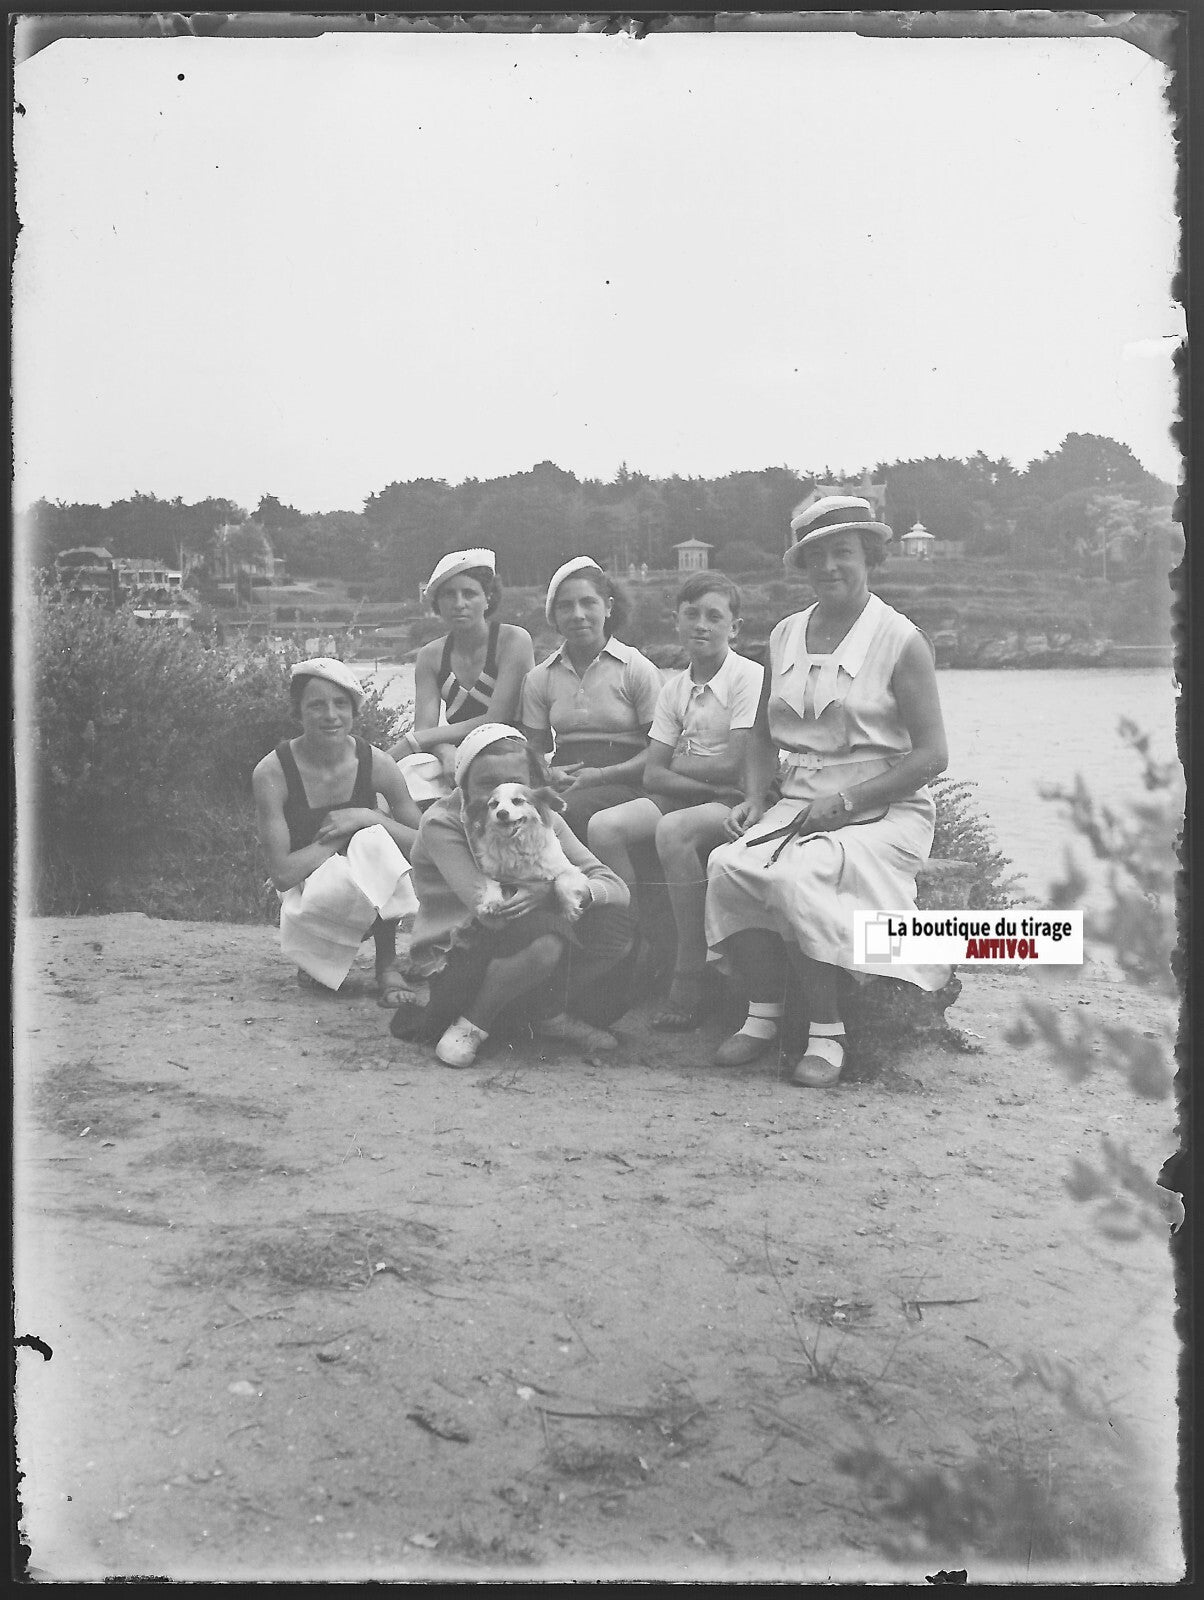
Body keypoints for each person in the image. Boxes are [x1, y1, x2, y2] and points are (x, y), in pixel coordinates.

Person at [705, 496, 951, 1088]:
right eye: (816, 556)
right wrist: (756, 797)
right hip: (801, 800)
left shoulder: (900, 640)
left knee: (798, 876)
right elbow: (763, 734)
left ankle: (826, 1032)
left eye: (842, 552)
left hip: (883, 806)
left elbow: (933, 756)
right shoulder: (786, 634)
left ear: (868, 555)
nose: (830, 567)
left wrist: (845, 803)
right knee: (726, 866)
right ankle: (764, 1011)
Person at [391, 724, 637, 1069]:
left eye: (515, 784)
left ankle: (545, 1013)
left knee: (616, 924)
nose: (502, 798)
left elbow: (616, 887)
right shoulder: (442, 824)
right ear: (462, 786)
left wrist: (556, 889)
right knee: (545, 937)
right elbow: (489, 914)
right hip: (457, 951)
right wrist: (548, 895)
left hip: (515, 940)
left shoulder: (538, 816)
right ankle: (473, 1024)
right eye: (487, 784)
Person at [587, 573, 763, 1030]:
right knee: (604, 828)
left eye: (714, 616)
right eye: (691, 615)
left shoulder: (748, 678)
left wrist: (680, 764)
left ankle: (690, 970)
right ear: (677, 621)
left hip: (737, 800)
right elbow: (652, 772)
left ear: (734, 628)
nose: (701, 625)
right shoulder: (674, 688)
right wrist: (689, 774)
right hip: (693, 796)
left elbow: (736, 767)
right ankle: (633, 944)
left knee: (673, 830)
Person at [253, 658, 422, 1005]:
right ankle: (316, 958)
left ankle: (387, 964)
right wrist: (340, 836)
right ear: (297, 713)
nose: (330, 715)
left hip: (371, 882)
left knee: (374, 841)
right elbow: (283, 874)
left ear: (354, 711)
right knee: (363, 842)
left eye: (340, 704)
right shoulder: (273, 772)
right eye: (316, 705)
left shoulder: (378, 764)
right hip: (308, 889)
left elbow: (427, 844)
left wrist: (367, 817)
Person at [520, 557, 662, 840]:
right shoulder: (540, 677)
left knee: (562, 814)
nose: (577, 614)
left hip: (628, 781)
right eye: (565, 606)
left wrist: (602, 775)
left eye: (588, 602)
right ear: (554, 617)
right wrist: (547, 773)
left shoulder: (636, 668)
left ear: (608, 607)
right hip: (566, 781)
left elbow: (661, 753)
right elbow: (534, 749)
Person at [388, 549, 535, 797]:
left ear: (487, 598)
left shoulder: (512, 640)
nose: (459, 604)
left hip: (513, 754)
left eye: (469, 594)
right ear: (438, 604)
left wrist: (411, 742)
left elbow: (495, 719)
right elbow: (425, 727)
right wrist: (445, 751)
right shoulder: (431, 656)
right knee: (407, 779)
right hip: (461, 757)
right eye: (448, 595)